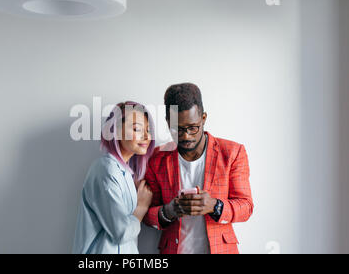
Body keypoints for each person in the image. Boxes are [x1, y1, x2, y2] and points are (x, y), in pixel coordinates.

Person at [143, 83, 254, 254]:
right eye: (177, 129)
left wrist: (214, 206)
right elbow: (146, 215)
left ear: (203, 118)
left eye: (192, 128)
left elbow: (246, 207)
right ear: (167, 122)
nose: (186, 136)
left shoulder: (232, 153)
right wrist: (169, 211)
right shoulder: (157, 158)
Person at [73, 101, 155, 254]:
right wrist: (141, 208)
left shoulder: (125, 173)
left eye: (148, 130)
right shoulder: (106, 170)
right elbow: (121, 232)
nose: (146, 136)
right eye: (137, 129)